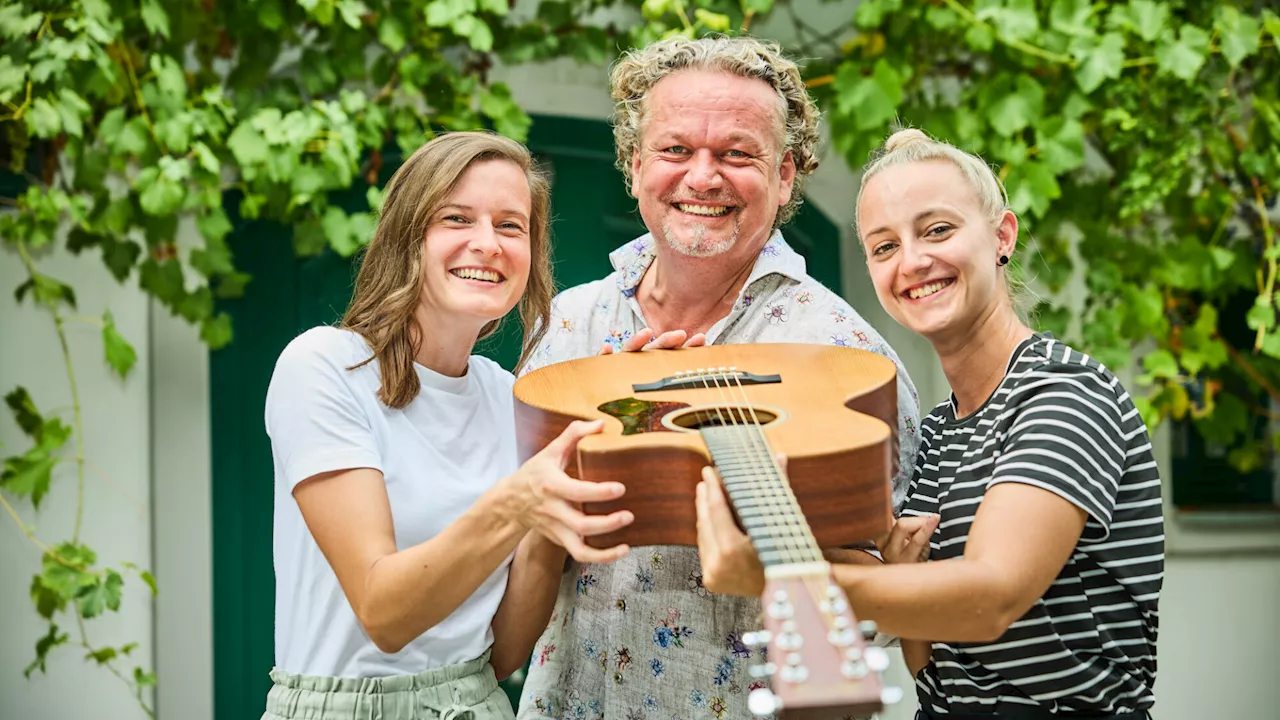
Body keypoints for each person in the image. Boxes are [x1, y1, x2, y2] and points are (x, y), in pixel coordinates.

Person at [515, 36, 922, 720]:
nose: (703, 178)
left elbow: (894, 588)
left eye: (737, 154)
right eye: (676, 150)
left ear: (786, 175)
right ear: (636, 165)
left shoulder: (847, 355)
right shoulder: (568, 327)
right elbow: (517, 555)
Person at [695, 128, 1163, 719]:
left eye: (938, 230)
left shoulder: (1064, 392)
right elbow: (935, 665)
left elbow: (990, 597)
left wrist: (780, 579)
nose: (913, 262)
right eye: (884, 246)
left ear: (1002, 235)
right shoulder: (941, 432)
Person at [260, 131, 635, 720]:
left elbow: (504, 653)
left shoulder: (504, 395)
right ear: (408, 236)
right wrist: (518, 503)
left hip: (477, 704)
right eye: (456, 218)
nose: (487, 244)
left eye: (511, 227)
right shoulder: (324, 366)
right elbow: (384, 614)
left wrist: (587, 435)